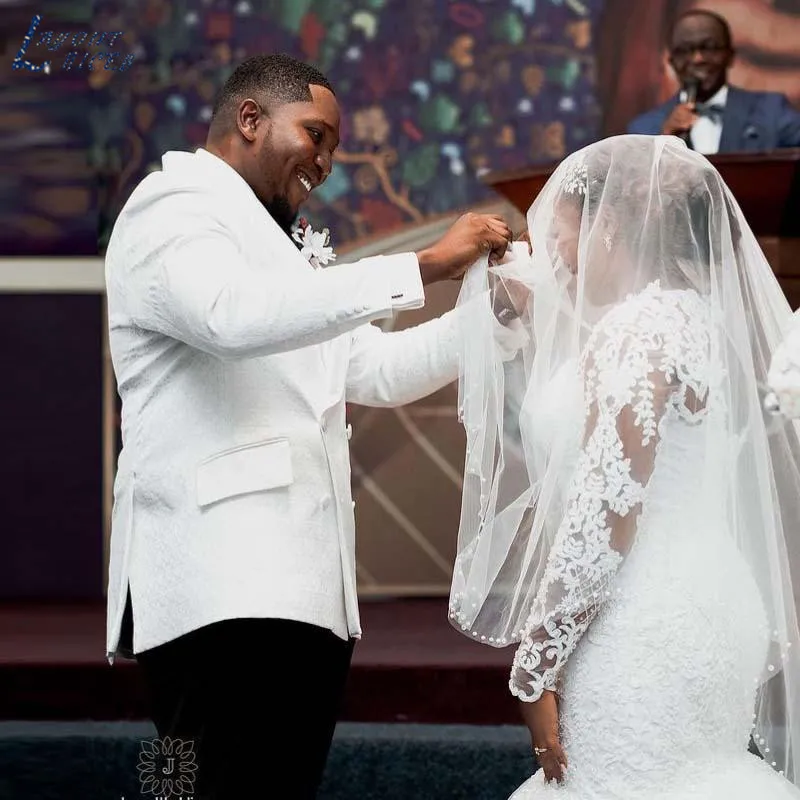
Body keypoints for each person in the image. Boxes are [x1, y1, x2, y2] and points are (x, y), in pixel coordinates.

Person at [104, 53, 514, 799]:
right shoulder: (170, 206)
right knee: (197, 781)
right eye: (316, 135)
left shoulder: (278, 249)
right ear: (250, 118)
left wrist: (495, 317)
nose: (325, 161)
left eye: (332, 146)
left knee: (250, 785)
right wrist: (422, 265)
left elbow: (377, 370)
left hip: (295, 589)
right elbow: (228, 317)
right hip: (218, 582)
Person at [450, 134, 800, 798]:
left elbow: (608, 508)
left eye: (563, 232)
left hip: (646, 619)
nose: (556, 251)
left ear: (608, 225)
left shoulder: (636, 331)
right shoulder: (699, 321)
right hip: (715, 598)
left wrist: (536, 663)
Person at [627, 9, 800, 153]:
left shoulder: (772, 111)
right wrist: (663, 144)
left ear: (730, 56)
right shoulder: (644, 130)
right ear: (672, 62)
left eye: (709, 47)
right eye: (685, 50)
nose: (697, 59)